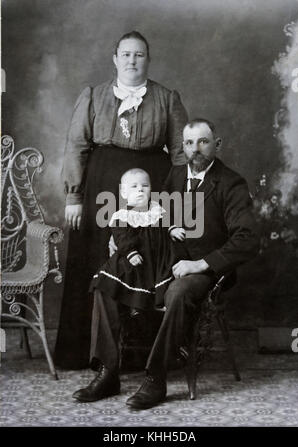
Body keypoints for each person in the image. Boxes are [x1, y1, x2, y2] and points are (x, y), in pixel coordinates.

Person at [72, 117, 260, 408]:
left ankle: (155, 377)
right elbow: (149, 212)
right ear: (181, 146)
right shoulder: (174, 175)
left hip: (201, 268)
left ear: (217, 145)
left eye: (203, 141)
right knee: (105, 280)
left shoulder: (231, 183)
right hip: (159, 258)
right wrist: (125, 237)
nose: (195, 149)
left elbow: (248, 239)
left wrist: (200, 264)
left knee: (178, 291)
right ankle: (108, 371)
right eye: (188, 142)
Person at [54, 31, 188, 370]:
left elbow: (180, 155)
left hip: (151, 187)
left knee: (144, 260)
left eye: (139, 54)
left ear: (148, 59)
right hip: (101, 185)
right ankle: (90, 353)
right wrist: (74, 196)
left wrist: (178, 204)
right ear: (115, 58)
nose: (132, 60)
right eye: (126, 54)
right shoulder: (93, 96)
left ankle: (143, 356)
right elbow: (75, 146)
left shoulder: (166, 98)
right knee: (101, 261)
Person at [89, 167, 186, 314]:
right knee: (136, 275)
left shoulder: (155, 208)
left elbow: (165, 221)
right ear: (124, 193)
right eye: (134, 187)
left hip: (160, 254)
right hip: (139, 253)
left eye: (145, 186)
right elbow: (121, 237)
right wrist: (131, 252)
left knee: (165, 272)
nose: (140, 190)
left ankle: (160, 301)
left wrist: (172, 229)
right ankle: (136, 304)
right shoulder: (121, 215)